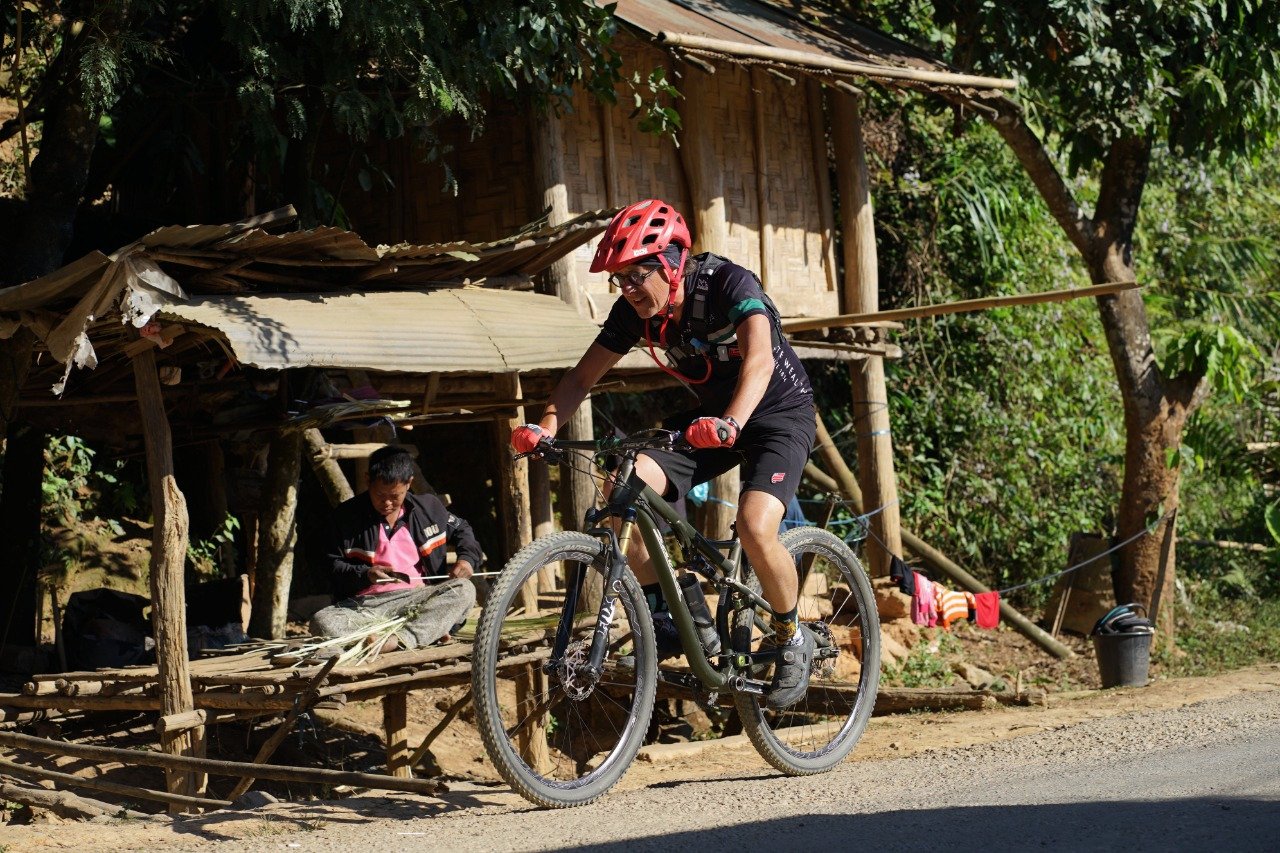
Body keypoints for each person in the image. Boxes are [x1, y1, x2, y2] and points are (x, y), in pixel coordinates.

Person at [511, 198, 817, 709]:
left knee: (756, 524)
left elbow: (760, 359)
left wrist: (732, 423)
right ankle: (683, 617)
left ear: (673, 264)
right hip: (710, 423)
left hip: (775, 414)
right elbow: (582, 377)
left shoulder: (728, 284)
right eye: (620, 280)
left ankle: (793, 638)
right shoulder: (634, 315)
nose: (628, 290)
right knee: (622, 489)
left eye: (636, 276)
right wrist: (544, 428)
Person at [310, 446, 479, 651]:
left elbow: (462, 529)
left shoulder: (429, 509)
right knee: (322, 621)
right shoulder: (344, 518)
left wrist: (467, 559)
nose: (387, 503)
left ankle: (401, 639)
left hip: (418, 598)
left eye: (395, 496)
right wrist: (366, 574)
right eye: (380, 494)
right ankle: (427, 631)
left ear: (408, 483)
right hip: (365, 606)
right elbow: (331, 566)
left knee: (464, 590)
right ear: (367, 480)